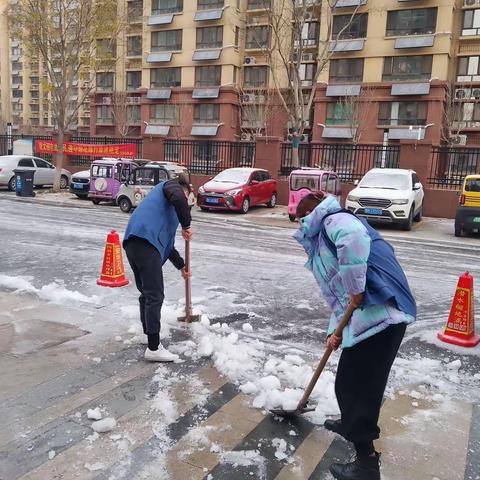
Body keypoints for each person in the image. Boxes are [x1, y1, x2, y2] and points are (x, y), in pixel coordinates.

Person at [294, 192, 416, 480]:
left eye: (300, 220)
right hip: (372, 321)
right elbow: (342, 298)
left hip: (382, 319)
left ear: (309, 215)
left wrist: (356, 287)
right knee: (354, 386)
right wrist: (334, 333)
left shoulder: (334, 220)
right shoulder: (326, 229)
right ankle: (351, 423)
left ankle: (366, 464)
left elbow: (353, 243)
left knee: (355, 389)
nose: (299, 226)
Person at [123, 173, 193, 363]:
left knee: (147, 294)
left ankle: (148, 334)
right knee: (155, 296)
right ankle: (154, 348)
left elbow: (168, 247)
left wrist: (182, 266)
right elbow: (179, 198)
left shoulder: (164, 211)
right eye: (187, 197)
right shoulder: (170, 186)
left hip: (134, 243)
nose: (185, 202)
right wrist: (186, 225)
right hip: (145, 244)